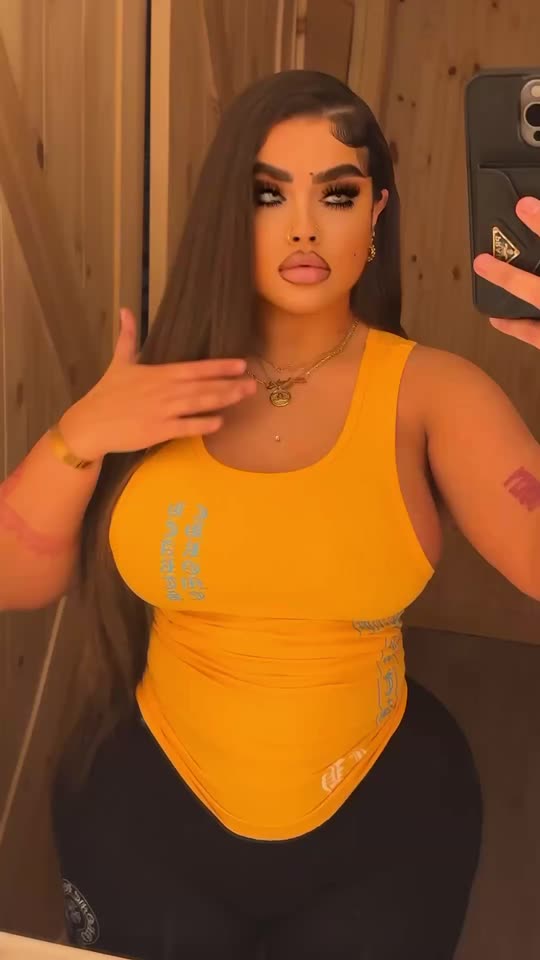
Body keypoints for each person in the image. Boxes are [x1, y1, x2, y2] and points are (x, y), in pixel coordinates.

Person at [2, 69, 540, 960]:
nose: (303, 226)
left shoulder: (434, 394)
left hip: (384, 831)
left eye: (338, 193)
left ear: (377, 213)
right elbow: (17, 580)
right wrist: (78, 436)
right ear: (228, 210)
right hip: (143, 815)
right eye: (267, 193)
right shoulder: (152, 386)